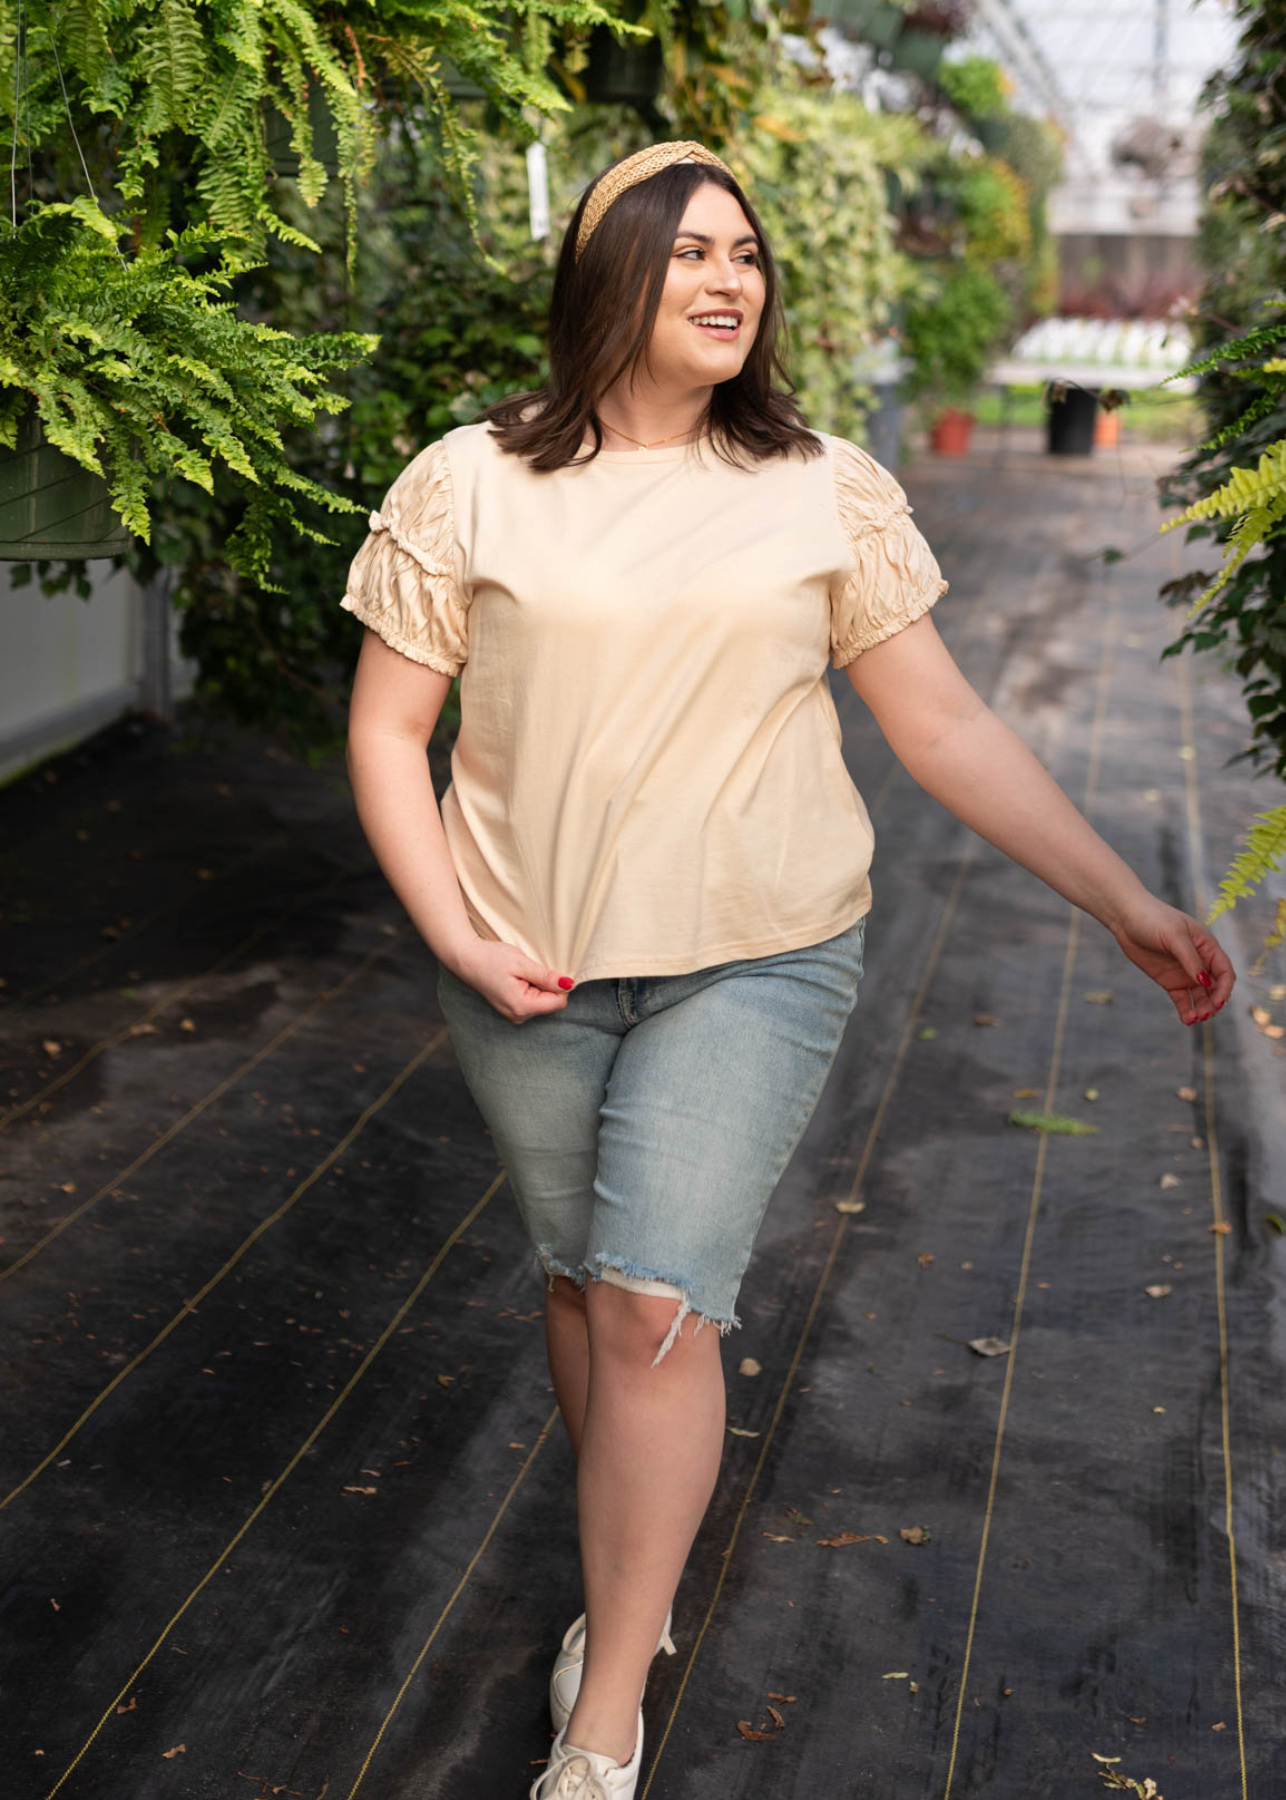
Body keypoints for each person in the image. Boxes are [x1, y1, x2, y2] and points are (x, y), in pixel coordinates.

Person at [339, 140, 1236, 1800]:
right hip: (519, 956)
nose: (728, 278)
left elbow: (944, 724)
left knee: (652, 1299)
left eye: (746, 254)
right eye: (687, 253)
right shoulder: (468, 480)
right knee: (581, 1284)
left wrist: (1120, 898)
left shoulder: (821, 487)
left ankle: (602, 1711)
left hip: (754, 953)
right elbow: (392, 734)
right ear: (604, 276)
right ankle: (632, 1578)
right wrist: (455, 929)